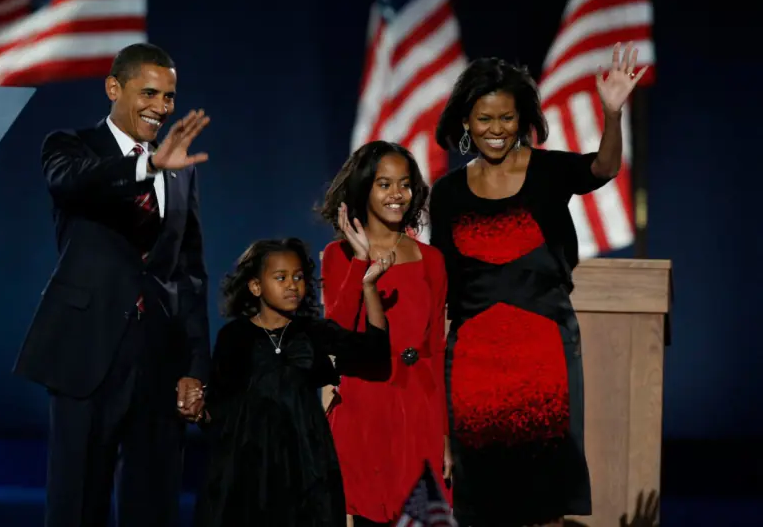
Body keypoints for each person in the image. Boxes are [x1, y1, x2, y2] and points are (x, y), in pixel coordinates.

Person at [428, 42, 647, 527]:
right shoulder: (445, 195)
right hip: (473, 363)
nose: (496, 130)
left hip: (544, 355)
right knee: (481, 502)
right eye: (484, 119)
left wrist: (612, 114)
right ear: (466, 122)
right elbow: (442, 285)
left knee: (543, 501)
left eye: (507, 118)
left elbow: (604, 168)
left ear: (522, 118)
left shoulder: (548, 171)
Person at [13, 42, 213, 527]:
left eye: (168, 97)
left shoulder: (180, 171)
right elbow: (72, 183)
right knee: (78, 502)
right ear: (113, 87)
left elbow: (188, 272)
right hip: (86, 350)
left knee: (154, 502)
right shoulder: (70, 146)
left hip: (157, 356)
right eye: (149, 93)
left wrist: (194, 366)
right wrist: (148, 167)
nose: (161, 107)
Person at [193, 237, 394, 527]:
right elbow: (219, 403)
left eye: (298, 277)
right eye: (281, 277)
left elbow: (375, 352)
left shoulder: (313, 331)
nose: (292, 284)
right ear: (255, 286)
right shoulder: (234, 336)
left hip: (306, 459)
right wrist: (200, 408)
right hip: (248, 463)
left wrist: (369, 287)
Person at [318, 141, 451, 526]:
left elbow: (436, 348)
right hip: (366, 406)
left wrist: (444, 435)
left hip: (420, 408)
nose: (397, 194)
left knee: (424, 517)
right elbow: (337, 333)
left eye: (405, 184)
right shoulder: (337, 255)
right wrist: (361, 261)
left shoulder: (432, 260)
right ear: (364, 189)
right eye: (384, 184)